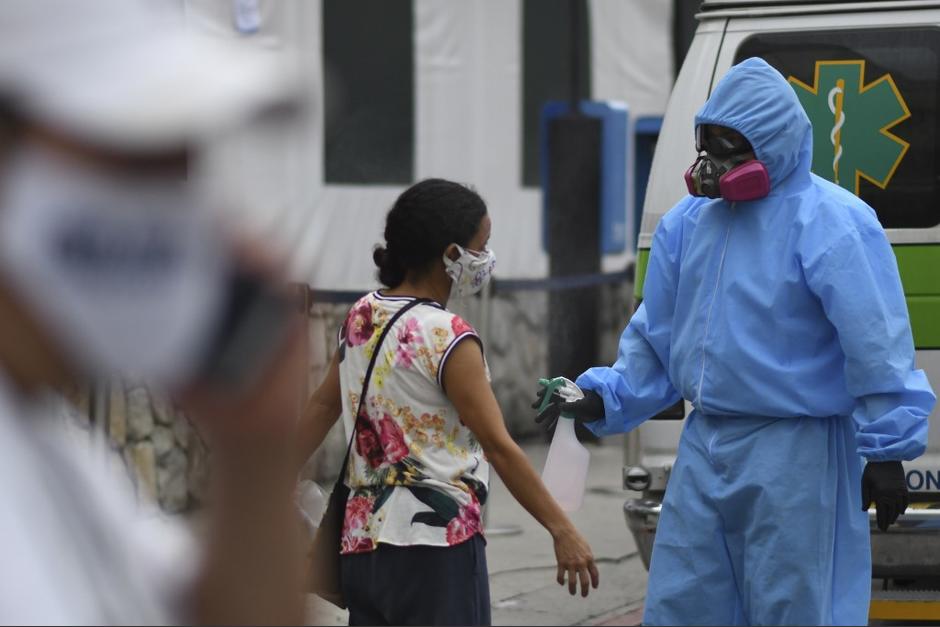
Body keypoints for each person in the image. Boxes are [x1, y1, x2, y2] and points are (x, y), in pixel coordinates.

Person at [535, 57, 934, 625]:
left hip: (797, 454)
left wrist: (887, 450)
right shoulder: (687, 224)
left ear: (775, 145)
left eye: (732, 146)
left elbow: (875, 343)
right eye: (709, 144)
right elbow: (656, 338)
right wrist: (604, 395)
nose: (714, 164)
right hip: (707, 446)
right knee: (685, 603)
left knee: (796, 606)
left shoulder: (833, 222)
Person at [0, 1, 310, 623]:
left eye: (184, 157)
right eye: (131, 150)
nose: (169, 205)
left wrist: (255, 450)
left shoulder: (59, 451)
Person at [299, 178, 599, 626]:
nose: (487, 259)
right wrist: (562, 528)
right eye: (483, 245)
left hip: (361, 543)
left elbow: (323, 408)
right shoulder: (449, 337)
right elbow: (498, 446)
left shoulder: (362, 315)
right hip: (435, 549)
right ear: (451, 255)